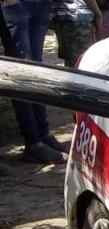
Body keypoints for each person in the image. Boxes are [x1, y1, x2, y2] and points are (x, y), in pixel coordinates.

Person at [2, 0, 66, 163]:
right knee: (22, 73)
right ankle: (33, 142)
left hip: (40, 4)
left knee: (36, 70)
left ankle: (43, 135)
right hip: (14, 5)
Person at [51, 0, 101, 67]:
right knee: (82, 58)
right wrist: (98, 14)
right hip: (79, 18)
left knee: (70, 57)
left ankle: (71, 75)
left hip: (62, 17)